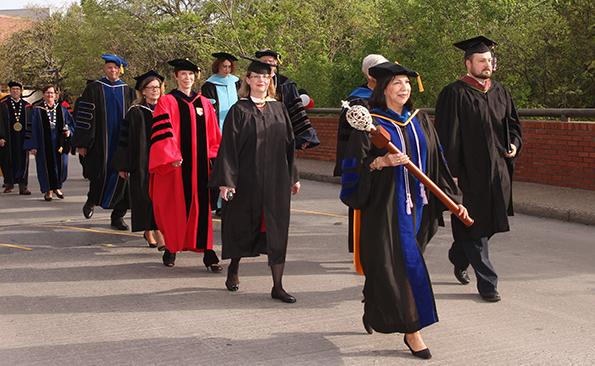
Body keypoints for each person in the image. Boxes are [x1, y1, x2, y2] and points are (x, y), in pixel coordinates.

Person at [340, 61, 468, 359]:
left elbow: (439, 160)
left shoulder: (419, 120)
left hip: (420, 207)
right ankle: (413, 331)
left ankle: (373, 306)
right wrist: (380, 163)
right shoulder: (370, 123)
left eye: (407, 83)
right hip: (386, 208)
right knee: (405, 267)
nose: (404, 87)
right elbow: (353, 169)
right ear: (383, 88)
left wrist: (452, 197)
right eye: (397, 83)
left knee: (393, 268)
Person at [435, 36, 522, 303]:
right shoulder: (454, 93)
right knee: (473, 225)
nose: (488, 65)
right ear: (468, 63)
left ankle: (458, 254)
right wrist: (451, 173)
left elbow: (515, 126)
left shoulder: (500, 92)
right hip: (468, 173)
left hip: (498, 171)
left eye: (490, 61)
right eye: (482, 60)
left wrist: (514, 145)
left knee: (491, 223)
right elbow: (446, 135)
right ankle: (488, 284)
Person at [209, 58, 300, 303]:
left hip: (277, 179)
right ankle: (234, 267)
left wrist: (293, 176)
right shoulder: (239, 110)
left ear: (270, 81)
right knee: (242, 225)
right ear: (247, 80)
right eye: (256, 76)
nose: (261, 80)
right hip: (246, 180)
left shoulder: (279, 109)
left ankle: (277, 286)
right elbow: (228, 147)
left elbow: (289, 145)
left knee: (277, 230)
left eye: (266, 77)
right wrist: (227, 180)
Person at [149, 58, 223, 272]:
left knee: (202, 209)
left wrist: (215, 155)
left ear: (195, 77)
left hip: (200, 166)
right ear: (176, 77)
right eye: (183, 74)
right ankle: (171, 247)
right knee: (175, 208)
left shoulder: (205, 103)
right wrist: (171, 154)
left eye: (191, 75)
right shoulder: (167, 101)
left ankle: (208, 252)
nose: (187, 78)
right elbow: (164, 131)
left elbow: (213, 135)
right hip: (177, 165)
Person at [72, 53, 135, 230]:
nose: (112, 70)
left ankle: (117, 217)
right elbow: (84, 117)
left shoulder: (128, 91)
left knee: (123, 181)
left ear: (120, 70)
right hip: (100, 143)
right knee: (98, 174)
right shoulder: (93, 89)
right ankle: (92, 199)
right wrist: (83, 143)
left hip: (122, 143)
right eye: (109, 67)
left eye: (115, 67)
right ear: (104, 69)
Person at [334, 54, 388, 253]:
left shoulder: (388, 96)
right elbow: (353, 139)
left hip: (386, 160)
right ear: (371, 75)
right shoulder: (357, 100)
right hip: (362, 159)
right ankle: (360, 248)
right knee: (360, 201)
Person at [113, 70, 166, 250]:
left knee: (160, 199)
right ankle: (154, 233)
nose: (154, 91)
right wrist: (123, 165)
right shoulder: (135, 112)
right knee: (145, 197)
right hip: (141, 162)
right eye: (150, 88)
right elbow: (125, 141)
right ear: (142, 91)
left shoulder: (166, 109)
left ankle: (152, 230)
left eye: (157, 87)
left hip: (162, 162)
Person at [255, 49, 320, 150]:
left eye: (270, 61)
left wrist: (303, 137)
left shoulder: (287, 84)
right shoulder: (253, 83)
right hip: (257, 130)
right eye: (264, 61)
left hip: (281, 131)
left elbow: (296, 110)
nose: (267, 64)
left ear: (276, 63)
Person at [201, 52, 240, 215]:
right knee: (221, 164)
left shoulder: (237, 82)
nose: (226, 69)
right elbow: (208, 109)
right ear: (217, 66)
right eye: (224, 66)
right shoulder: (209, 85)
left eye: (229, 66)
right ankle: (219, 204)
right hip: (219, 128)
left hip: (237, 127)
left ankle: (234, 200)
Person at [25, 85, 74, 201]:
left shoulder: (62, 110)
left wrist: (69, 132)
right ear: (43, 95)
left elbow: (71, 124)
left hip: (59, 144)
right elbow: (32, 129)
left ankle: (57, 187)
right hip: (43, 145)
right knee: (45, 167)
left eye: (52, 93)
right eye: (47, 93)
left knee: (60, 166)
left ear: (56, 95)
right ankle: (48, 190)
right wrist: (33, 146)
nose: (50, 95)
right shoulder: (37, 110)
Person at [0, 81, 31, 195]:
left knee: (23, 161)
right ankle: (9, 183)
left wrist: (30, 139)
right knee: (7, 160)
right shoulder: (3, 104)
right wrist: (1, 137)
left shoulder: (27, 105)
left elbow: (30, 123)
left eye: (17, 89)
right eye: (13, 89)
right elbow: (0, 122)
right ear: (10, 91)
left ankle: (23, 185)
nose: (15, 91)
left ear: (21, 91)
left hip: (23, 137)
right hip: (8, 137)